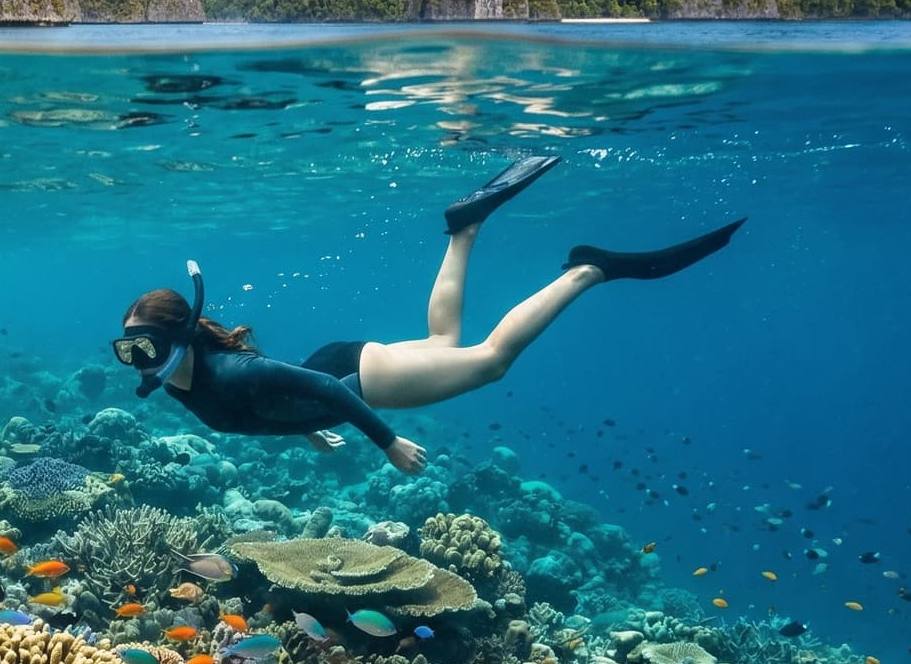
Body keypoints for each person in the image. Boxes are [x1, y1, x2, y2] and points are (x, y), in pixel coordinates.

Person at [112, 156, 741, 473]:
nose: (137, 364)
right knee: (448, 337)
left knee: (491, 362)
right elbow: (268, 395)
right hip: (342, 366)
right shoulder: (180, 377)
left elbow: (315, 387)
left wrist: (385, 443)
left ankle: (588, 270)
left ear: (181, 338)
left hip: (358, 382)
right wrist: (299, 427)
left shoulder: (226, 376)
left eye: (144, 347)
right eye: (128, 350)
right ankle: (462, 229)